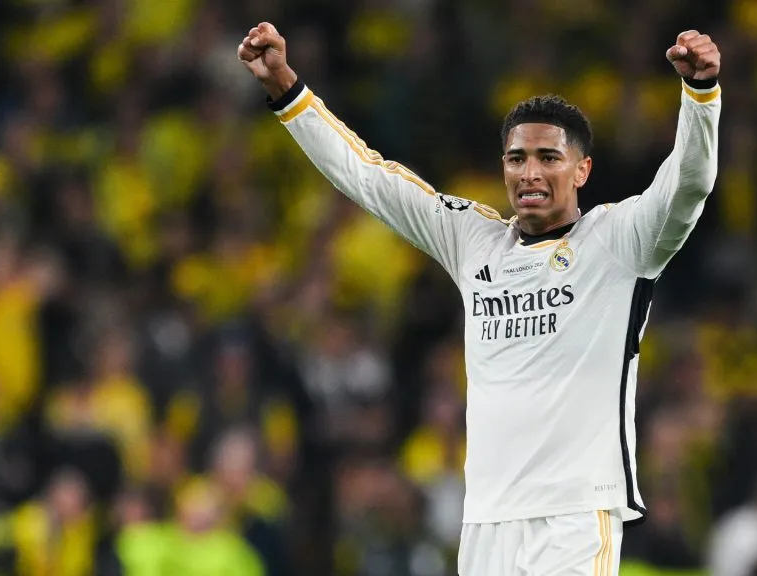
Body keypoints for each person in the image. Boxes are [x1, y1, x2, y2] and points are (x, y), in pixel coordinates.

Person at [237, 21, 721, 576]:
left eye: (548, 157)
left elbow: (689, 185)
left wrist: (701, 96)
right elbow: (369, 177)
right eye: (517, 159)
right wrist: (285, 88)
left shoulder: (619, 242)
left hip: (574, 515)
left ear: (582, 169)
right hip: (486, 519)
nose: (530, 172)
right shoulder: (475, 240)